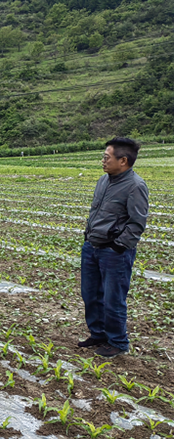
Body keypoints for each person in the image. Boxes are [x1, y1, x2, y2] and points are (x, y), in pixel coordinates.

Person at [78, 137, 148, 358]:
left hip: (114, 252)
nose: (103, 161)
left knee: (113, 299)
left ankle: (117, 341)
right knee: (90, 295)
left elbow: (137, 223)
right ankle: (98, 334)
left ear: (123, 160)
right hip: (92, 247)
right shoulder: (103, 181)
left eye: (107, 157)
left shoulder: (135, 186)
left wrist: (119, 246)